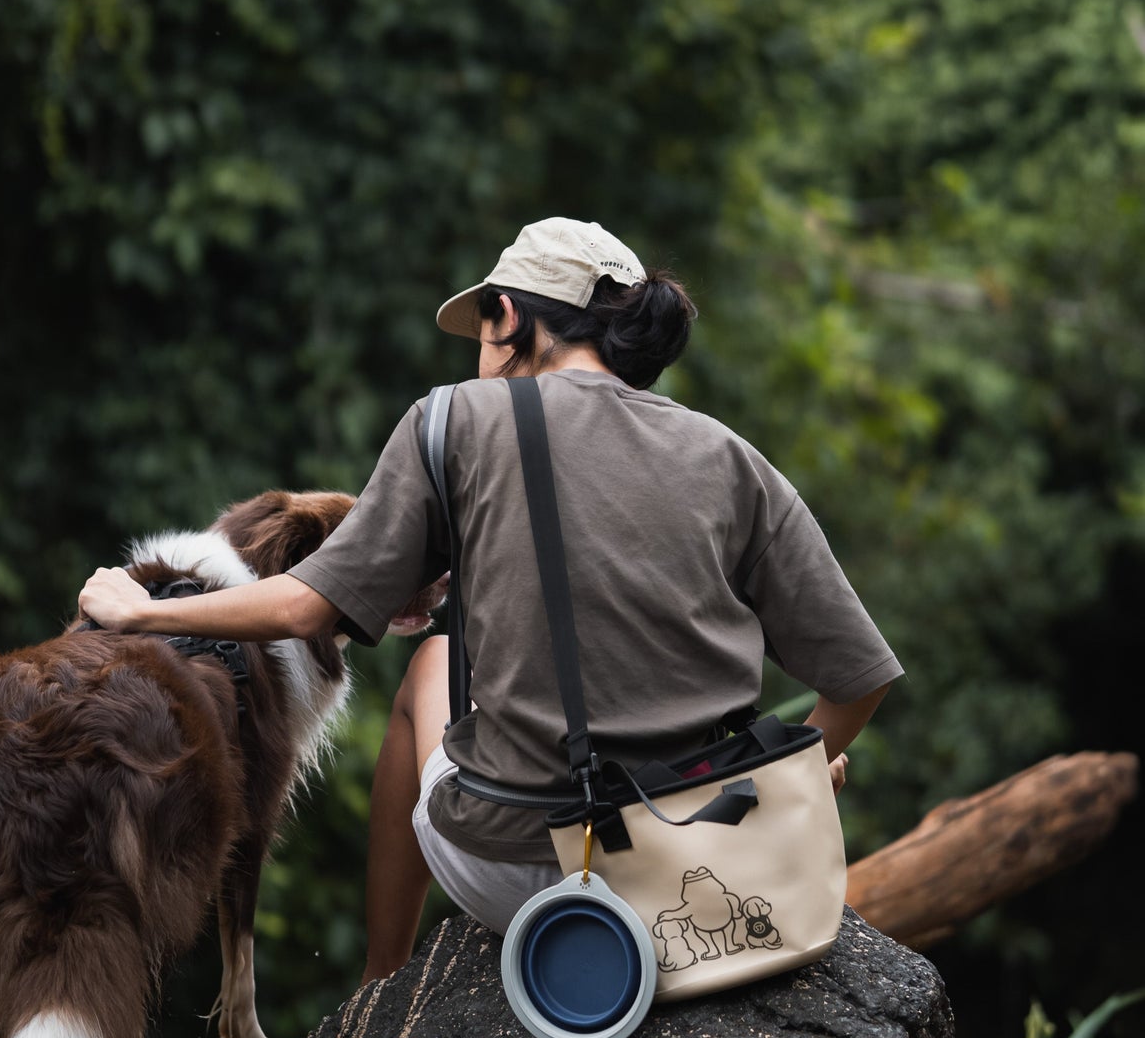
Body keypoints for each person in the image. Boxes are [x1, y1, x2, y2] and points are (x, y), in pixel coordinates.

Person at [79, 218, 901, 986]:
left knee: (432, 658)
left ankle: (383, 979)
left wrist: (142, 612)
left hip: (520, 864)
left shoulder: (451, 422)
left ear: (508, 317)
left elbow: (305, 607)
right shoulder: (728, 456)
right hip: (695, 857)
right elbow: (859, 674)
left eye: (479, 324)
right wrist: (777, 784)